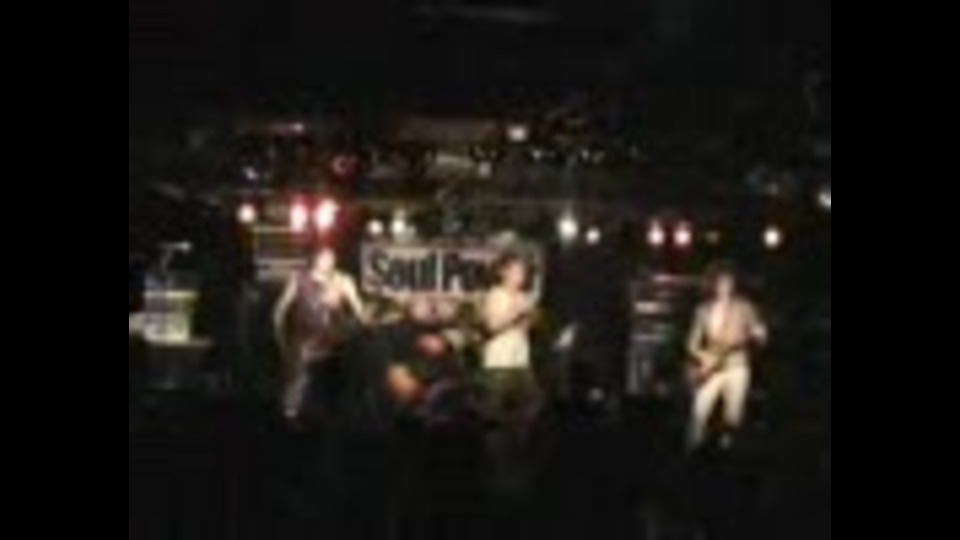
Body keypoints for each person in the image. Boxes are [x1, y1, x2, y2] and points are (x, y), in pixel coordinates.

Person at [273, 247, 366, 422]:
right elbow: (280, 309)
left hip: (333, 339)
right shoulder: (299, 279)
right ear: (315, 259)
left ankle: (331, 415)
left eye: (332, 257)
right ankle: (291, 415)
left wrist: (350, 317)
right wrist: (279, 335)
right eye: (324, 257)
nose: (329, 261)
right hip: (304, 339)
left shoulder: (342, 281)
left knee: (330, 382)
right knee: (297, 380)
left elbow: (359, 312)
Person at [686, 263, 768, 450]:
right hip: (711, 368)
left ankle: (727, 453)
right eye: (721, 282)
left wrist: (760, 334)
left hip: (737, 367)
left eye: (728, 282)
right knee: (698, 411)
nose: (725, 286)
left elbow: (759, 333)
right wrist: (703, 357)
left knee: (733, 417)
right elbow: (691, 343)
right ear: (714, 284)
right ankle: (692, 450)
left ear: (733, 284)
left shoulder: (744, 307)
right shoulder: (703, 309)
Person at [480, 254, 542, 433]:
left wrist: (529, 318)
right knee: (493, 410)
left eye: (523, 271)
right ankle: (493, 441)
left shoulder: (523, 296)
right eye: (516, 271)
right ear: (503, 272)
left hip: (520, 359)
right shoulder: (496, 294)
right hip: (500, 361)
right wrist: (516, 311)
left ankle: (514, 434)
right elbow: (492, 326)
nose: (521, 275)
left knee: (533, 403)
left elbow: (523, 330)